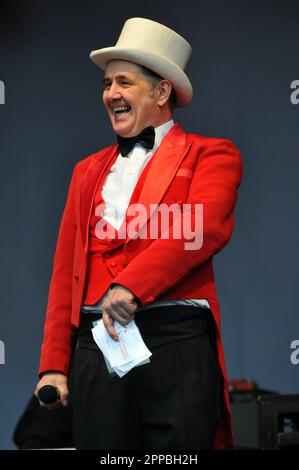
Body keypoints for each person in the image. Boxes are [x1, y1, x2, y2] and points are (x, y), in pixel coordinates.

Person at [35, 17, 242, 450]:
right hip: (97, 347)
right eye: (108, 83)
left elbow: (200, 228)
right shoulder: (85, 171)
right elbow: (64, 272)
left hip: (176, 342)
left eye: (124, 82)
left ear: (161, 92)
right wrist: (53, 363)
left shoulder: (211, 154)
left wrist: (132, 284)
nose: (111, 93)